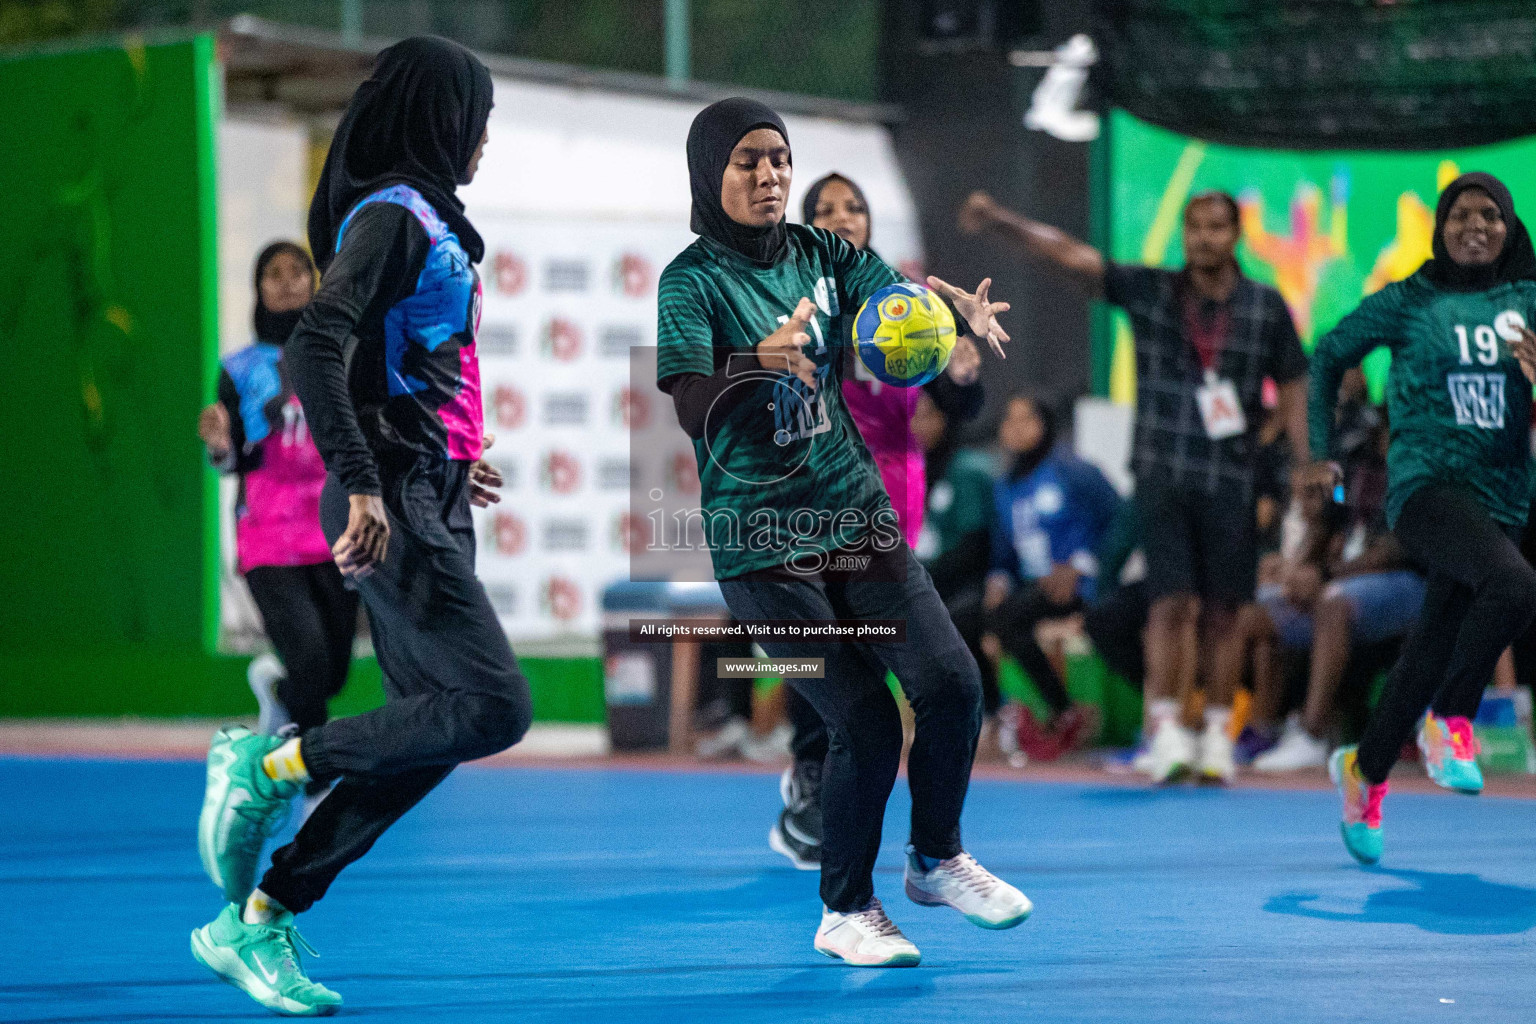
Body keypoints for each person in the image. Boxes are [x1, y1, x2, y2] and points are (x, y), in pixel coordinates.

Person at [191, 37, 531, 1015]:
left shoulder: (430, 221)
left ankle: (258, 914)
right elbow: (314, 352)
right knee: (496, 705)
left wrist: (458, 452)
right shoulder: (395, 214)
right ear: (439, 115)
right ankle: (271, 759)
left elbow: (405, 364)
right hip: (392, 494)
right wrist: (369, 483)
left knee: (429, 739)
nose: (482, 140)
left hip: (432, 487)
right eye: (479, 117)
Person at [658, 98, 1030, 967]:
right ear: (711, 171)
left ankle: (936, 856)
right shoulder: (692, 280)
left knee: (951, 681)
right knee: (861, 721)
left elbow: (885, 296)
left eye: (779, 160)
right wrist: (757, 362)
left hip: (854, 514)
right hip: (758, 546)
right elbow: (685, 404)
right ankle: (845, 910)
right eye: (748, 161)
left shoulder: (822, 253)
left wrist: (937, 316)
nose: (769, 176)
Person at [960, 189, 1310, 784]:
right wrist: (1003, 221)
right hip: (1161, 475)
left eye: (1216, 226)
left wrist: (1303, 464)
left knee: (1227, 613)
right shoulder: (1153, 290)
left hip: (1233, 480)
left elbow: (1295, 385)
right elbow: (1073, 258)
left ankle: (1217, 737)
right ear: (1184, 233)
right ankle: (1168, 729)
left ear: (1236, 233)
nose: (1204, 237)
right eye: (1193, 227)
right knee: (1169, 606)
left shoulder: (1266, 307)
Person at [1309, 171, 1536, 864]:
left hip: (1505, 494)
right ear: (1440, 227)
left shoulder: (1529, 299)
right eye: (1462, 214)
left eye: (1491, 214)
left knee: (1431, 644)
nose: (1477, 225)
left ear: (1508, 226)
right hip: (1427, 486)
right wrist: (1322, 452)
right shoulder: (1409, 301)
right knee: (1515, 586)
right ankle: (1450, 722)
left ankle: (1365, 772)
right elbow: (1327, 354)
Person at [770, 171, 986, 871]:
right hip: (812, 489)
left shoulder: (900, 304)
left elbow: (957, 406)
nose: (841, 217)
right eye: (825, 209)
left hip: (891, 492)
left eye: (853, 207)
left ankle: (876, 808)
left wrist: (959, 368)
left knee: (888, 651)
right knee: (827, 647)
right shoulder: (788, 297)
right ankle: (808, 778)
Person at [198, 243, 359, 766]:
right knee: (309, 655)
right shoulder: (238, 367)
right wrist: (220, 447)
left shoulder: (342, 353)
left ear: (315, 283)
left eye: (298, 272)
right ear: (258, 288)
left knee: (333, 673)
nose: (287, 282)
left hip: (335, 527)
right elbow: (230, 460)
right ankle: (308, 778)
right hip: (267, 535)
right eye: (273, 273)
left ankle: (281, 698)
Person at [973, 394, 1118, 759]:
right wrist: (998, 580)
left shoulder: (1074, 470)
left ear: (1046, 426)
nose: (1016, 428)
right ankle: (992, 716)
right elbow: (1003, 553)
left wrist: (1082, 565)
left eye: (1026, 419)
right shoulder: (1004, 485)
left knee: (1004, 621)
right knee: (966, 618)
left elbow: (1120, 518)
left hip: (1078, 585)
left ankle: (1064, 711)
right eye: (1009, 420)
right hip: (1030, 587)